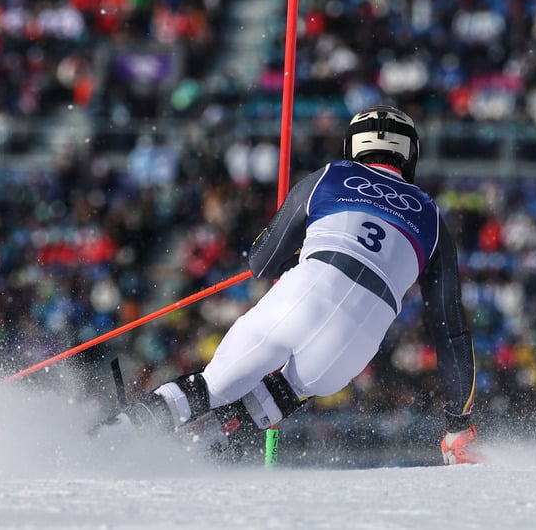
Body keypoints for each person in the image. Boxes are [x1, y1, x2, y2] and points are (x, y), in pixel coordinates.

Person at [124, 105, 480, 465]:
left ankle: (115, 438)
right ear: (410, 154)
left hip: (301, 299)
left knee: (212, 386)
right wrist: (457, 423)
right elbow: (450, 332)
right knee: (286, 390)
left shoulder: (331, 175)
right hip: (353, 346)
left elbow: (261, 262)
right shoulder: (433, 219)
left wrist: (291, 249)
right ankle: (196, 456)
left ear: (352, 146)